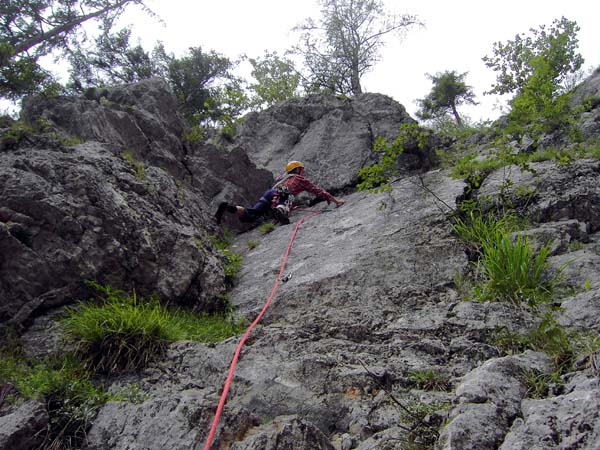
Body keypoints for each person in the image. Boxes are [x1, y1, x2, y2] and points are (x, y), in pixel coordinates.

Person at [215, 161, 345, 225]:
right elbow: (318, 191)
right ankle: (280, 210)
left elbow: (276, 191)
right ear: (298, 169)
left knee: (250, 215)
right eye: (301, 169)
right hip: (283, 193)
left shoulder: (281, 178)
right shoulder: (300, 179)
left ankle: (229, 207)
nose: (302, 172)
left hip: (269, 193)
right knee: (288, 199)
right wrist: (335, 200)